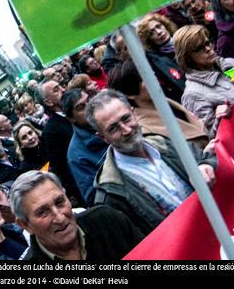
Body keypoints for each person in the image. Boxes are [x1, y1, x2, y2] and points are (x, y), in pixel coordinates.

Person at [87, 90, 217, 235]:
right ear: (102, 137)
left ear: (133, 113)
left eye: (126, 118)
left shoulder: (164, 143)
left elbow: (204, 159)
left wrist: (208, 164)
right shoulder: (111, 195)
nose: (127, 130)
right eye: (113, 128)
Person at [10, 171, 144, 261]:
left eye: (60, 202)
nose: (60, 217)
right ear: (25, 225)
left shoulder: (107, 220)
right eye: (43, 212)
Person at [173, 25, 234, 138]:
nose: (208, 49)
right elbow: (211, 139)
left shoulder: (232, 62)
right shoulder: (192, 95)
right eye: (199, 48)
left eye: (208, 43)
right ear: (187, 57)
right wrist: (219, 120)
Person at [107, 60, 209, 151]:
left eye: (151, 72)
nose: (153, 78)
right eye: (144, 78)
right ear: (130, 94)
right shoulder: (146, 131)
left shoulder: (167, 103)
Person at [38, 79, 85, 206]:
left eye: (60, 86)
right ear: (48, 102)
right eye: (56, 90)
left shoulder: (81, 108)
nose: (63, 90)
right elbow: (62, 167)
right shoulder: (50, 132)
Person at [62, 88, 108, 205]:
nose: (90, 107)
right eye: (81, 107)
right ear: (71, 118)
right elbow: (94, 198)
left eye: (89, 100)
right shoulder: (76, 155)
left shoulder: (113, 116)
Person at [135, 14, 186, 102]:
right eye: (151, 33)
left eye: (158, 26)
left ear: (165, 25)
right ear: (149, 40)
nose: (158, 32)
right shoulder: (157, 62)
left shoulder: (184, 40)